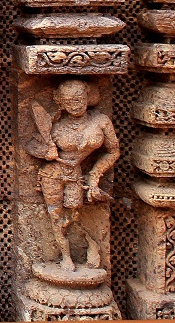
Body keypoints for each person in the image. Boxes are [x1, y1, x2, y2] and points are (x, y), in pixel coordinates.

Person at [26, 79, 119, 273]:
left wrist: (95, 174)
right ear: (61, 102)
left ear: (88, 96)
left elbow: (113, 151)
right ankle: (66, 257)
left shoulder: (100, 121)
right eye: (69, 101)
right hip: (52, 174)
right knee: (55, 214)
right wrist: (46, 153)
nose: (75, 105)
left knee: (74, 210)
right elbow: (31, 146)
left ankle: (83, 240)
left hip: (76, 173)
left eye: (78, 99)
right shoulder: (56, 124)